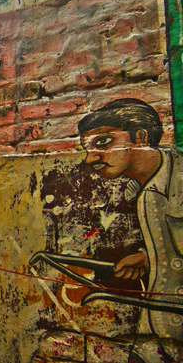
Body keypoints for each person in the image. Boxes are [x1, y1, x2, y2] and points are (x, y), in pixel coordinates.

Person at [77, 98, 183, 356]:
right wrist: (151, 259)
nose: (91, 158)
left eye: (103, 142)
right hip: (159, 333)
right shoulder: (142, 191)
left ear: (141, 137)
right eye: (86, 148)